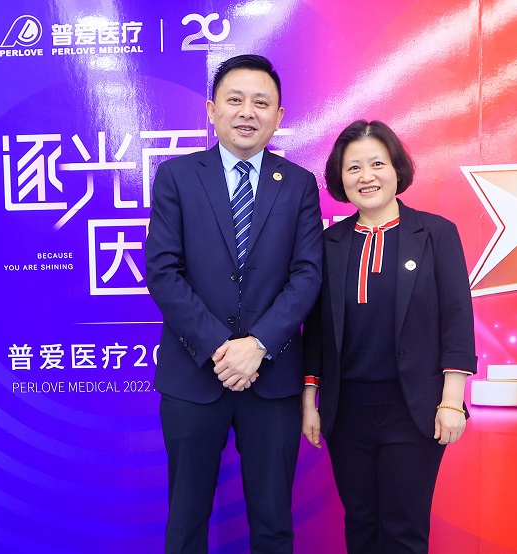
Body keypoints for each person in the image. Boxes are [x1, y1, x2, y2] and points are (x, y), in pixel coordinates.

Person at [146, 54, 323, 554]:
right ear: (212, 110)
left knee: (273, 522)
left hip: (272, 380)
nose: (248, 112)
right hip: (193, 374)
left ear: (278, 116)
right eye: (235, 100)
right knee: (186, 521)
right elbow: (163, 271)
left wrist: (258, 345)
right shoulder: (177, 176)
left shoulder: (299, 184)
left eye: (261, 102)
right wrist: (222, 348)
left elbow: (308, 275)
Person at [301, 120, 477, 553]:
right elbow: (316, 331)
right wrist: (309, 402)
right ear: (340, 179)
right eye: (354, 167)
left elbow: (456, 319)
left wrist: (451, 402)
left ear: (397, 168)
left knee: (403, 529)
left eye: (377, 164)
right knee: (361, 526)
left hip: (414, 410)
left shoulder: (435, 234)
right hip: (347, 413)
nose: (367, 176)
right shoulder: (329, 243)